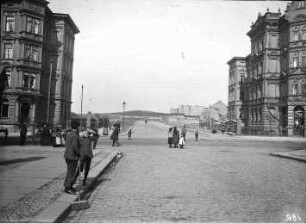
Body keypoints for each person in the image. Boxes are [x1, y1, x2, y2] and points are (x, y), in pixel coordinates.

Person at [63, 120, 80, 195]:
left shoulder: (69, 134)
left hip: (68, 156)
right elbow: (74, 147)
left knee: (70, 172)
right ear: (77, 127)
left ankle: (68, 185)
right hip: (72, 157)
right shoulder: (74, 135)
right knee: (72, 173)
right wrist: (79, 153)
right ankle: (68, 187)